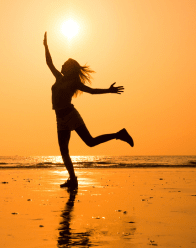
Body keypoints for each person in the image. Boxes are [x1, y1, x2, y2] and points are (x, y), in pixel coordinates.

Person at [43, 31, 134, 189]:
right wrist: (46, 46)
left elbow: (92, 91)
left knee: (90, 142)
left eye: (65, 64)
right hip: (59, 118)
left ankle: (119, 134)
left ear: (70, 68)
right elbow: (49, 63)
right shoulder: (59, 77)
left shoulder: (73, 83)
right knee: (64, 150)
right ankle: (73, 179)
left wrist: (108, 90)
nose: (62, 65)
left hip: (71, 115)